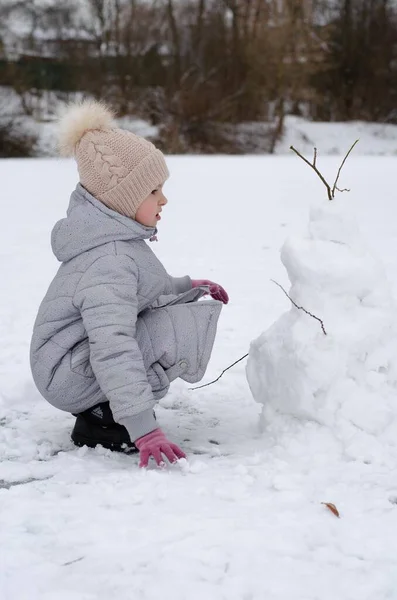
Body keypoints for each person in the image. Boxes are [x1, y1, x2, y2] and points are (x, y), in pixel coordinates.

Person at [30, 100, 228, 468]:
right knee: (173, 329)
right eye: (153, 191)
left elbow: (143, 289)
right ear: (123, 197)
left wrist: (188, 285)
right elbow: (112, 344)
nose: (163, 199)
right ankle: (105, 418)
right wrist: (143, 427)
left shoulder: (116, 241)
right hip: (69, 372)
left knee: (170, 316)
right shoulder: (111, 260)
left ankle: (107, 407)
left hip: (71, 360)